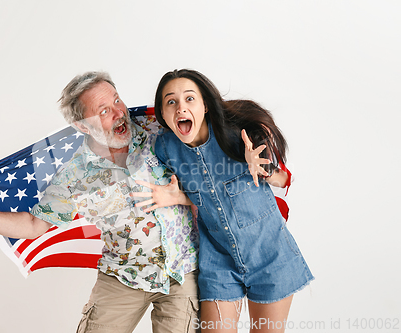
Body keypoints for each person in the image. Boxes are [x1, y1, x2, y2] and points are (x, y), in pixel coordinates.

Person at [0, 71, 201, 333]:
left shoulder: (159, 129)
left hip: (181, 271)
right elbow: (34, 225)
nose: (118, 113)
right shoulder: (73, 174)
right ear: (82, 125)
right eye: (103, 111)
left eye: (117, 100)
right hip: (123, 276)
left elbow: (206, 138)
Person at [133, 69, 314, 332]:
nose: (181, 107)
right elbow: (204, 194)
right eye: (171, 101)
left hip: (270, 254)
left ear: (205, 105)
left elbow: (284, 180)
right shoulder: (165, 148)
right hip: (218, 260)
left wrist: (263, 169)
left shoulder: (239, 136)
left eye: (189, 99)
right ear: (163, 114)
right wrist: (178, 197)